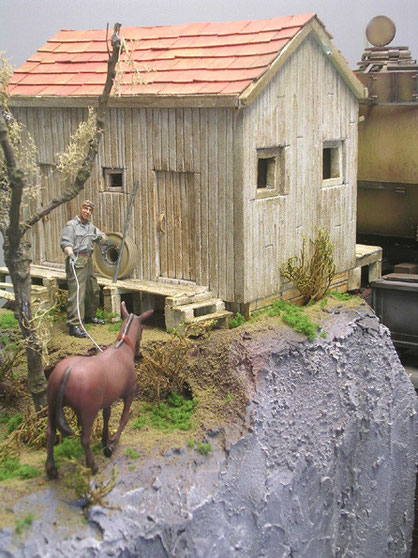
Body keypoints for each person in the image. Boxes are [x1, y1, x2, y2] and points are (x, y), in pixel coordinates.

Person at [61, 200, 107, 338]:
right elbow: (65, 243)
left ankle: (89, 316)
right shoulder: (71, 225)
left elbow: (105, 239)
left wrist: (99, 237)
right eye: (85, 208)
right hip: (76, 260)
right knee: (77, 292)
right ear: (80, 209)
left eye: (90, 210)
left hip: (88, 260)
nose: (87, 212)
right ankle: (73, 324)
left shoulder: (91, 227)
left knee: (92, 289)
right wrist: (70, 255)